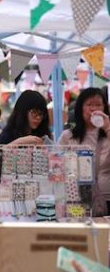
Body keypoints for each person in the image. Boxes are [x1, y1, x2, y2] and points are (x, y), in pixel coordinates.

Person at [58, 87, 110, 216]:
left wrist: (108, 127)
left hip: (107, 198)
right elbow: (56, 165)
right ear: (81, 108)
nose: (93, 109)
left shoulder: (108, 134)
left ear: (104, 108)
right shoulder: (67, 136)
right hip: (75, 198)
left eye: (98, 104)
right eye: (89, 105)